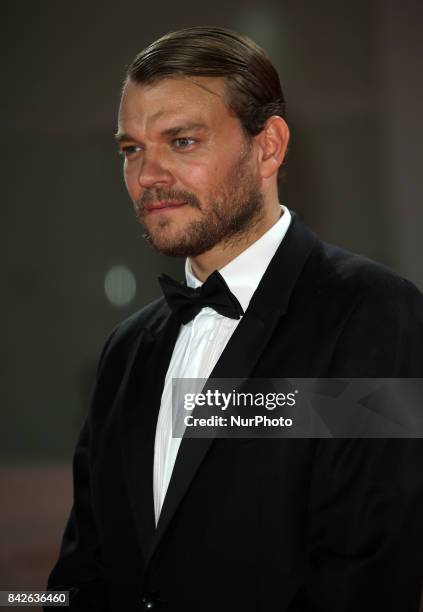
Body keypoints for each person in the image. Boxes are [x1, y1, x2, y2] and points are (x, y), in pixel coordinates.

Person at [47, 26, 423, 611]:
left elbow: (364, 577)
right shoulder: (126, 351)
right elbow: (82, 572)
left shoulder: (375, 315)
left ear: (268, 146)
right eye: (131, 149)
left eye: (183, 141)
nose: (147, 175)